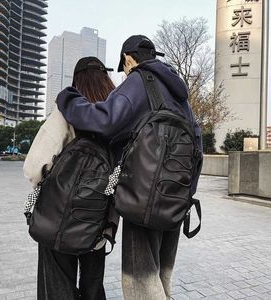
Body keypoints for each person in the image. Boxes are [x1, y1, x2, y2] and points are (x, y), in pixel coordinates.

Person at [56, 35, 203, 300]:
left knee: (141, 282)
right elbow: (197, 144)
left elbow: (105, 119)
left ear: (128, 59)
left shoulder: (139, 80)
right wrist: (184, 194)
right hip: (176, 198)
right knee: (161, 277)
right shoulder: (179, 94)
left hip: (144, 197)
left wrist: (69, 99)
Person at [23, 56, 116, 300]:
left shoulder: (67, 111)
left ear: (76, 81)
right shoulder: (116, 116)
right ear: (106, 78)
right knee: (93, 285)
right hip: (98, 220)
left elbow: (34, 167)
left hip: (59, 219)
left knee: (57, 287)